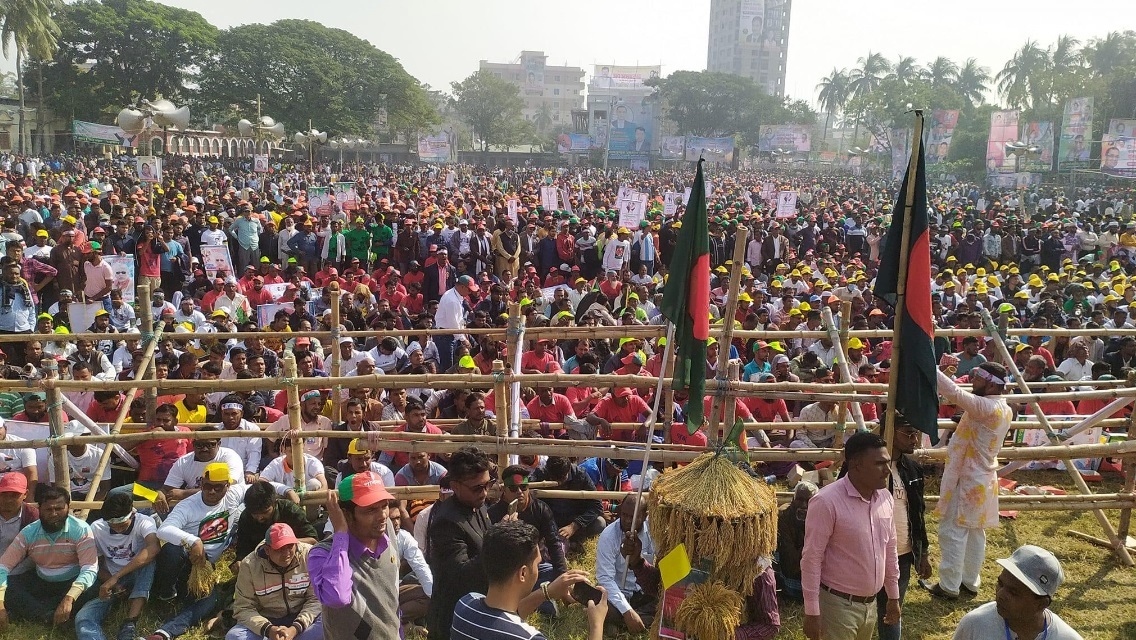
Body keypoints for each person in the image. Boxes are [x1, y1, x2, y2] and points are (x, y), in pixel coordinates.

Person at [926, 361, 1013, 601]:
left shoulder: (985, 407)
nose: (973, 381)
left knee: (953, 531)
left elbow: (954, 392)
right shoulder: (1004, 407)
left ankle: (949, 585)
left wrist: (927, 362)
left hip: (967, 479)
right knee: (975, 532)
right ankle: (969, 582)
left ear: (990, 383)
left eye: (977, 378)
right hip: (983, 478)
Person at [801, 431, 900, 640]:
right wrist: (812, 611)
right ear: (856, 465)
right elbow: (811, 558)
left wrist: (893, 596)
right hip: (837, 607)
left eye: (888, 463)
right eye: (879, 464)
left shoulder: (885, 498)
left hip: (870, 605)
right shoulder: (826, 502)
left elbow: (890, 548)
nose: (887, 470)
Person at [450, 520, 607, 640]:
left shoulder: (464, 605)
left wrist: (547, 592)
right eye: (538, 563)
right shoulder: (529, 637)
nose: (538, 569)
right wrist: (596, 625)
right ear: (523, 573)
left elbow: (502, 618)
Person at [309, 471, 401, 640]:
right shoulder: (322, 553)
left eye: (384, 506)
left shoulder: (387, 533)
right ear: (346, 515)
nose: (382, 516)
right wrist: (341, 533)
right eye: (371, 510)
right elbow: (337, 598)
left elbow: (392, 599)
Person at [0, 485, 99, 630]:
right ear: (39, 509)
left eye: (59, 509)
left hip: (71, 582)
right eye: (48, 509)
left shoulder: (81, 529)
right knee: (10, 586)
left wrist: (69, 598)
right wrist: (0, 604)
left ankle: (40, 613)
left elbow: (89, 568)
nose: (54, 514)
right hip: (42, 580)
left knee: (94, 587)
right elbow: (3, 566)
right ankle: (49, 616)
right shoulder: (29, 532)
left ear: (68, 507)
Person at [425, 446, 491, 640]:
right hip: (454, 620)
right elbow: (460, 576)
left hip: (477, 611)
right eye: (478, 487)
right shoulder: (446, 522)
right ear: (455, 486)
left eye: (488, 484)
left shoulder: (476, 504)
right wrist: (499, 542)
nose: (485, 493)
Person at [75, 491, 159, 640]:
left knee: (147, 561)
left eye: (121, 525)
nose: (117, 529)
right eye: (112, 525)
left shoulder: (144, 521)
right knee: (83, 618)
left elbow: (153, 548)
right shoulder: (97, 528)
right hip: (112, 581)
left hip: (136, 574)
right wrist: (112, 583)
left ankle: (130, 621)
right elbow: (95, 563)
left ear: (132, 514)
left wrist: (116, 577)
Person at [876, 416, 931, 640]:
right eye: (908, 433)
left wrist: (923, 552)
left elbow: (919, 514)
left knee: (892, 610)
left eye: (916, 433)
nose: (914, 439)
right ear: (889, 432)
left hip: (903, 554)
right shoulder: (869, 469)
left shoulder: (913, 470)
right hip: (870, 554)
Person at [952, 545, 1083, 640]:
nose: (1001, 594)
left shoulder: (1066, 637)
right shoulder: (975, 624)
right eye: (1001, 584)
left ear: (1041, 604)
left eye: (1014, 592)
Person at [228, 523, 323, 640]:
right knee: (235, 636)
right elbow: (243, 607)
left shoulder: (309, 555)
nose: (286, 553)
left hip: (302, 617)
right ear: (267, 550)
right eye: (280, 549)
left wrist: (295, 628)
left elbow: (316, 599)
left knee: (329, 621)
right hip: (267, 620)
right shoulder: (249, 565)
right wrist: (268, 630)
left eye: (290, 546)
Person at [595, 494, 659, 633]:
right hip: (618, 593)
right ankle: (629, 620)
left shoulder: (654, 531)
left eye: (633, 517)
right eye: (624, 515)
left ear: (645, 515)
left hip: (644, 592)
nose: (627, 520)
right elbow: (605, 578)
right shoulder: (608, 536)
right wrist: (627, 611)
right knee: (599, 598)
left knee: (665, 605)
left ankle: (617, 624)